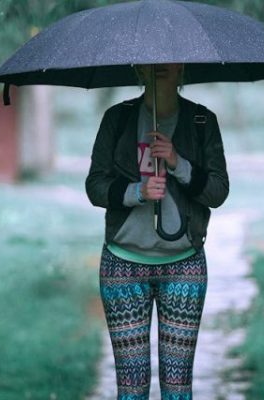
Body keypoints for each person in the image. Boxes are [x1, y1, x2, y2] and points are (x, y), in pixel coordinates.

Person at [85, 63, 229, 400]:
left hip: (184, 266)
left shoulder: (201, 121)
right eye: (150, 59)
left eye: (171, 57)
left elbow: (218, 192)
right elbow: (95, 186)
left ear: (183, 68)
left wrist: (179, 164)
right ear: (137, 68)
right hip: (123, 266)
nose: (160, 64)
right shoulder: (117, 119)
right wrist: (137, 192)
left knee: (177, 388)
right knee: (131, 389)